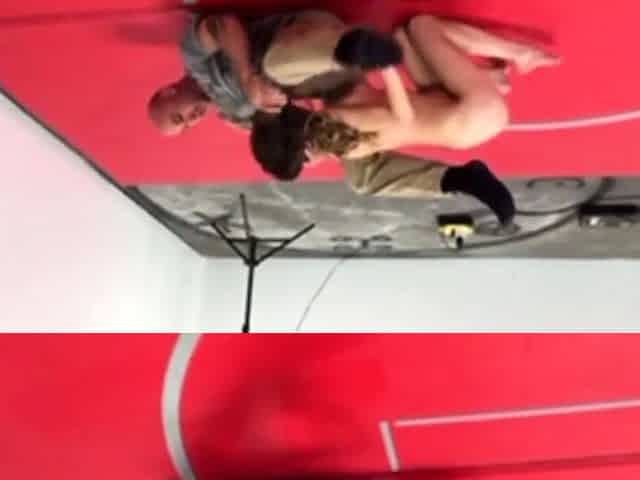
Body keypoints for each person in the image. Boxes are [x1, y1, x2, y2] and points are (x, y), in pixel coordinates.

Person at [250, 15, 561, 224]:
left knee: (277, 67)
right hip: (456, 113)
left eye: (306, 161)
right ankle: (458, 178)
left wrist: (252, 83)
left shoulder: (284, 100)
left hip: (318, 52)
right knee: (362, 180)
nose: (315, 164)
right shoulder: (336, 128)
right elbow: (400, 117)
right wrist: (387, 66)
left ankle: (349, 48)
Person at [147, 10, 401, 134]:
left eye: (179, 117)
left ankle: (353, 48)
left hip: (300, 38)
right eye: (187, 126)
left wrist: (247, 76)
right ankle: (385, 55)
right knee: (358, 169)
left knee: (275, 67)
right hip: (327, 84)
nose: (192, 120)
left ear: (168, 92)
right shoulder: (234, 113)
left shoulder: (195, 59)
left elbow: (223, 24)